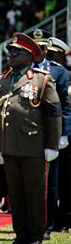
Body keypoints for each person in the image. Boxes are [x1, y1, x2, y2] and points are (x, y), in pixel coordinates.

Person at [0, 32, 61, 244]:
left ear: (29, 56)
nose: (11, 55)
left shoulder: (41, 79)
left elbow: (54, 113)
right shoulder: (3, 79)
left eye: (16, 52)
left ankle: (35, 236)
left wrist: (52, 145)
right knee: (16, 193)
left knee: (35, 192)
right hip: (9, 146)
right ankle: (20, 234)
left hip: (33, 145)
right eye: (10, 52)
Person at [26, 29, 71, 240]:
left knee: (49, 182)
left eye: (41, 48)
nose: (38, 51)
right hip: (26, 133)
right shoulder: (21, 69)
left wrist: (64, 134)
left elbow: (67, 106)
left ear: (45, 49)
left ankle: (46, 225)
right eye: (34, 48)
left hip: (50, 134)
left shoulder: (59, 72)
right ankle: (27, 222)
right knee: (26, 180)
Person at [47, 37, 71, 233]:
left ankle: (62, 218)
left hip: (63, 134)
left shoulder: (64, 75)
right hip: (58, 134)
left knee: (63, 179)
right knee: (59, 179)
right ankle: (58, 219)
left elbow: (66, 107)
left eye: (54, 56)